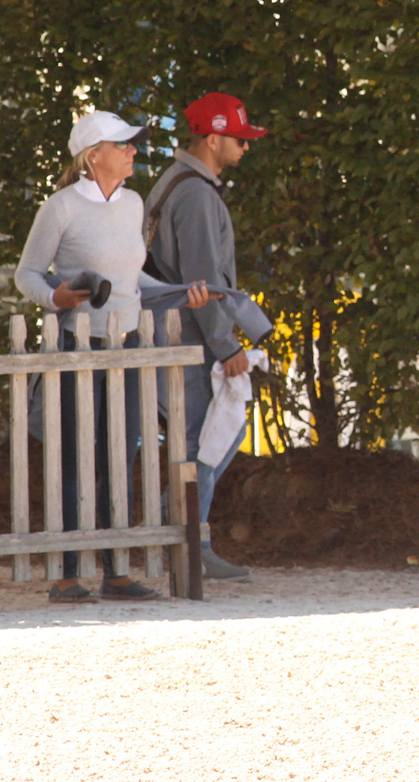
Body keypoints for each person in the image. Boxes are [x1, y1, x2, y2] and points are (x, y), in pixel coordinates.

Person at [15, 110, 212, 604]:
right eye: (123, 145)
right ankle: (66, 575)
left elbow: (132, 280)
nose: (132, 151)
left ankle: (116, 571)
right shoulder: (59, 208)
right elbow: (27, 275)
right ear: (93, 155)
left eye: (131, 144)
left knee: (120, 457)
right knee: (73, 459)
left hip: (128, 347)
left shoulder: (134, 204)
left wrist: (179, 292)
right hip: (78, 349)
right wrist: (55, 298)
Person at [144, 92, 268, 582]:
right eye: (239, 138)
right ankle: (188, 543)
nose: (245, 146)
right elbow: (204, 280)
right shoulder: (195, 194)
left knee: (202, 440)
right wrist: (227, 345)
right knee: (207, 439)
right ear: (213, 139)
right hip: (189, 336)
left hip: (172, 332)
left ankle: (176, 537)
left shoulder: (176, 182)